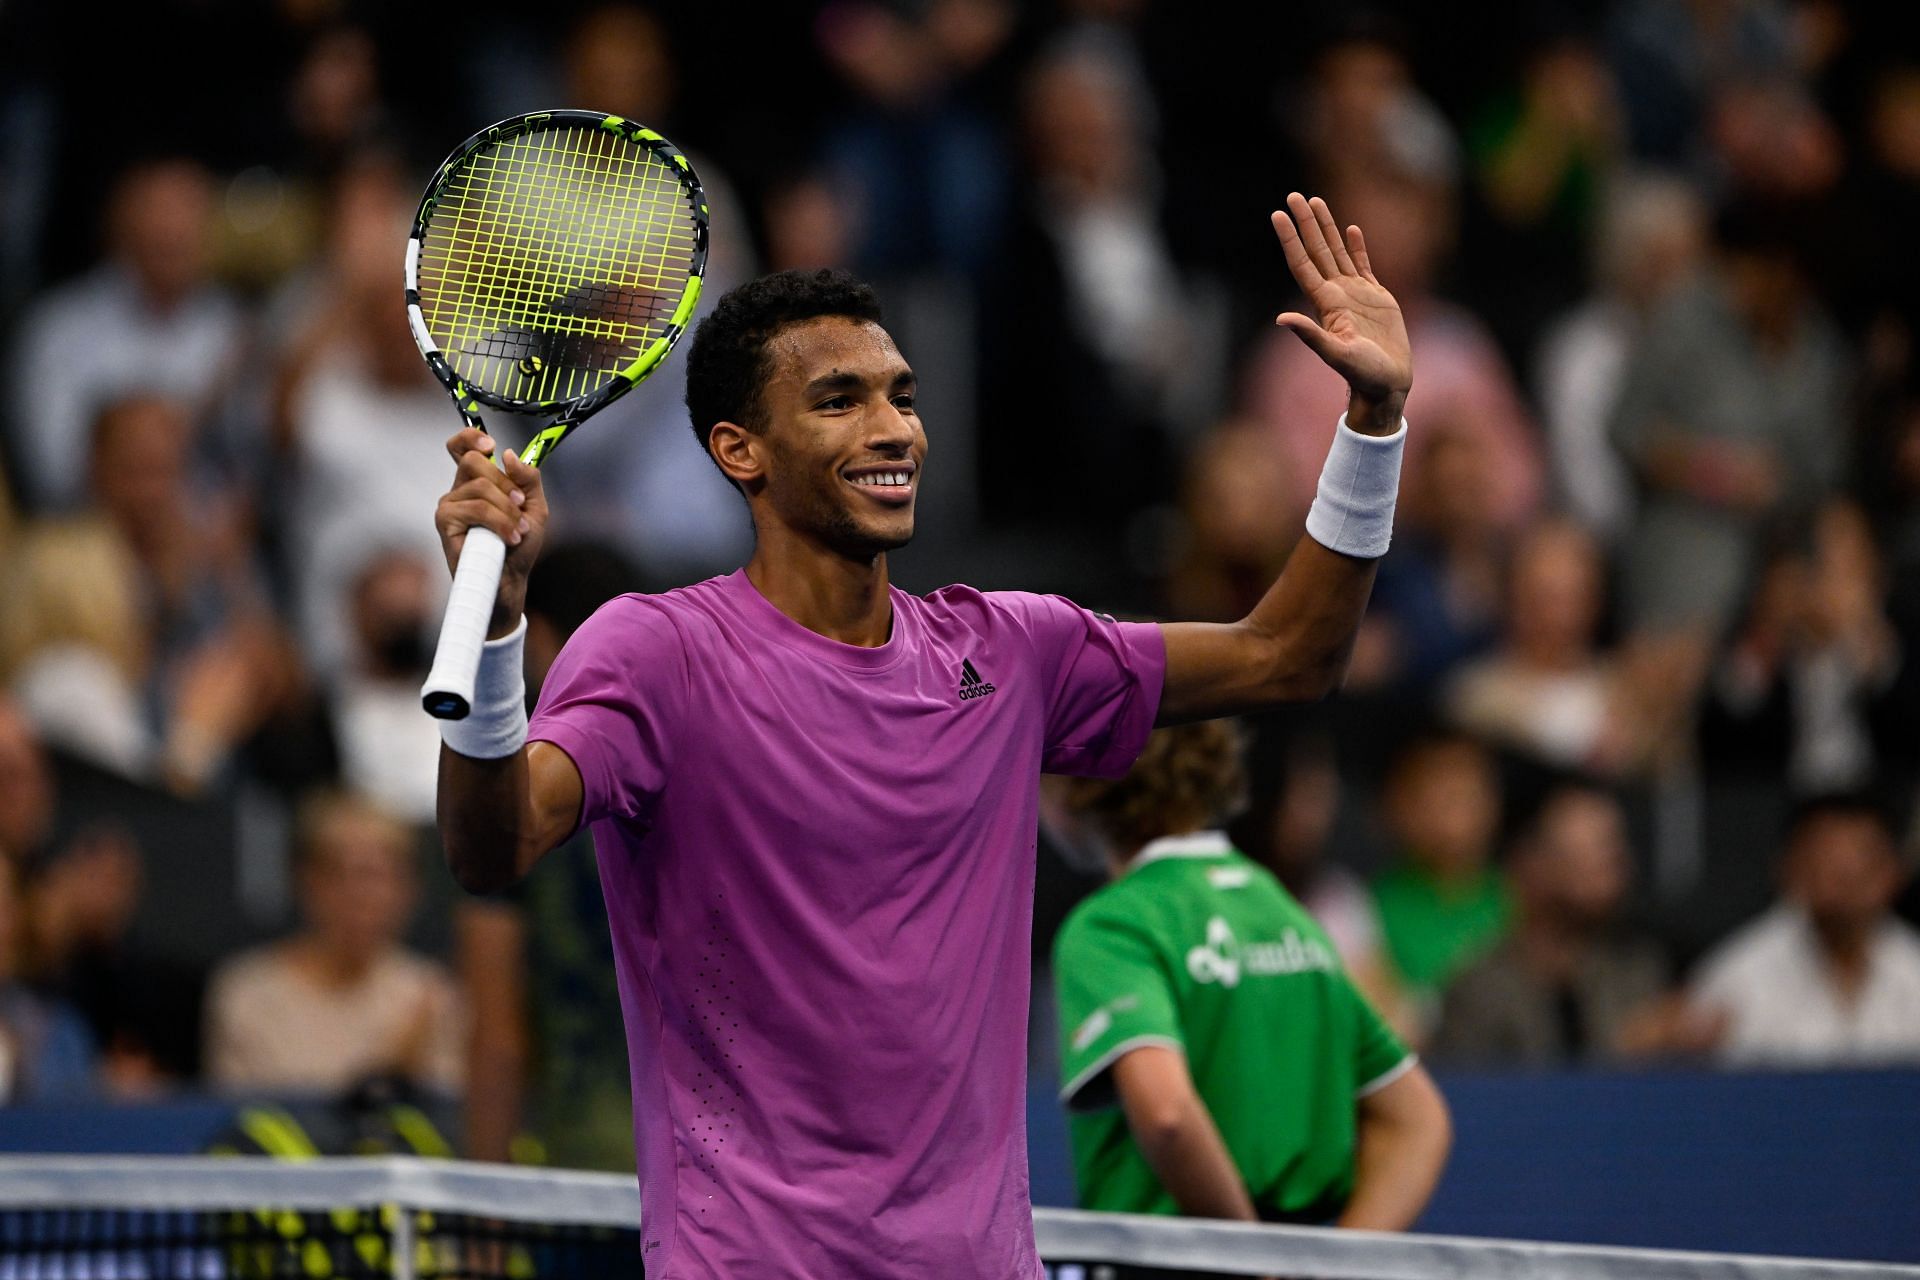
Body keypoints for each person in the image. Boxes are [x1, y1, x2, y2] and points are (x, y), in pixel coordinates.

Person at [431, 192, 1413, 1277]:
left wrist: (1373, 421)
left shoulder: (1016, 648)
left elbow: (1291, 654)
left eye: (902, 394)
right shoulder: (657, 653)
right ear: (740, 449)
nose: (894, 427)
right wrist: (496, 629)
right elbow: (495, 842)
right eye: (839, 400)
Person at [1053, 720, 1450, 1234]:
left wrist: (1246, 1257)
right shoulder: (1279, 908)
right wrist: (1326, 1270)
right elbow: (1417, 1121)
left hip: (1164, 1263)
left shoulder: (1111, 925)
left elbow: (1167, 1115)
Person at [204, 790, 465, 1096]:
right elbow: (239, 1122)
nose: (362, 896)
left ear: (410, 889)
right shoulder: (248, 993)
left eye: (381, 876)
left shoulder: (434, 995)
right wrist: (391, 1069)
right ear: (304, 881)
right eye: (341, 874)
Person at [1430, 783, 1673, 1066]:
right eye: (1590, 848)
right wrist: (1621, 1051)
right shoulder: (1477, 991)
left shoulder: (1638, 971)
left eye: (1614, 846)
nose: (1614, 863)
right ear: (1528, 864)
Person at [1687, 794, 1920, 1067]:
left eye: (1863, 857)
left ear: (1894, 873)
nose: (1846, 873)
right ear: (1789, 867)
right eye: (1828, 857)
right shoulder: (1737, 978)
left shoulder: (1913, 964)